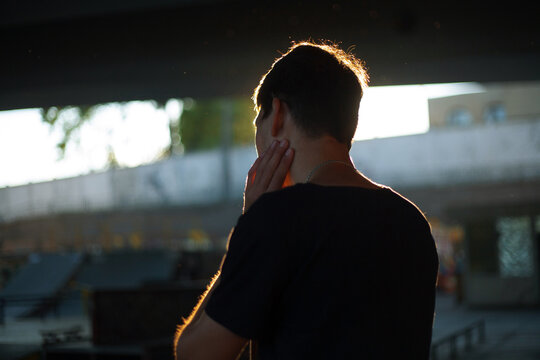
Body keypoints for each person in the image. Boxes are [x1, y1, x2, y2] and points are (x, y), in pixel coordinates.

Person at [174, 41, 439, 360]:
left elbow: (195, 352)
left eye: (259, 119)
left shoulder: (276, 219)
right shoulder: (410, 220)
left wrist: (248, 226)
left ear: (277, 114)